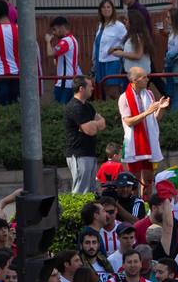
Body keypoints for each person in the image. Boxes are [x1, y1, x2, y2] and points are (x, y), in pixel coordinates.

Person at [117, 67, 168, 195]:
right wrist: (147, 112)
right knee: (134, 182)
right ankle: (136, 205)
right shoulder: (124, 98)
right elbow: (128, 122)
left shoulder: (149, 94)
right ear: (135, 80)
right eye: (144, 77)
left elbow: (154, 120)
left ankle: (147, 205)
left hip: (148, 142)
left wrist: (161, 109)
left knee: (149, 179)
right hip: (134, 144)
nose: (147, 79)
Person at [64, 75, 106, 193]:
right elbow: (90, 130)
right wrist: (93, 124)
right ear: (81, 89)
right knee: (80, 191)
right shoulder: (75, 107)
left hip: (89, 153)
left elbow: (103, 123)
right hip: (79, 154)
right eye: (90, 86)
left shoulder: (87, 106)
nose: (93, 88)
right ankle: (76, 212)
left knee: (90, 191)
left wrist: (93, 124)